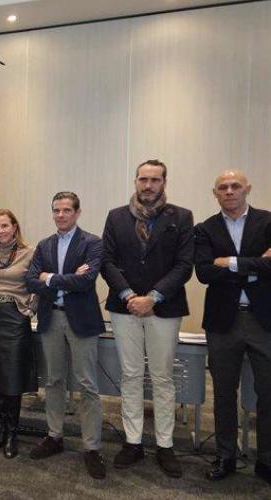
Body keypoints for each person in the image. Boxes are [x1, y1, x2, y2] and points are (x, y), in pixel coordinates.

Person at [101, 159, 193, 478]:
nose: (148, 185)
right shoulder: (116, 216)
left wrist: (153, 297)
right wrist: (129, 296)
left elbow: (184, 265)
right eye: (143, 179)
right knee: (130, 375)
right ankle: (133, 441)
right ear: (136, 181)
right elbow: (107, 261)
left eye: (155, 179)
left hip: (163, 308)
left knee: (162, 377)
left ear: (164, 182)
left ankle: (165, 445)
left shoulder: (181, 217)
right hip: (124, 306)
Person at [194, 170, 271, 483]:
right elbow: (204, 272)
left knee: (268, 392)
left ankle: (266, 460)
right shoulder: (205, 229)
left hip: (264, 320)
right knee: (224, 392)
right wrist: (257, 265)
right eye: (222, 187)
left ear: (247, 189)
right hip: (222, 322)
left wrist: (230, 262)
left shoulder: (268, 222)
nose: (229, 191)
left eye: (235, 186)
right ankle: (225, 456)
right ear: (215, 193)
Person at [26, 192, 106, 478]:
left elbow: (87, 281)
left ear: (77, 212)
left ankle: (92, 447)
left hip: (81, 320)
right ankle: (54, 435)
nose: (60, 215)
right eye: (56, 210)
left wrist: (49, 278)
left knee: (87, 384)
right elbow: (30, 282)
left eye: (66, 210)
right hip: (51, 318)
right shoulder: (44, 245)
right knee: (54, 380)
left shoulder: (92, 243)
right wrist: (65, 278)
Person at [0, 208, 37, 458]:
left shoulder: (29, 253)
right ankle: (2, 428)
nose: (0, 231)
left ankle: (13, 433)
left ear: (14, 227)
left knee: (12, 377)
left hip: (14, 318)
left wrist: (31, 310)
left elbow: (38, 285)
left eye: (5, 226)